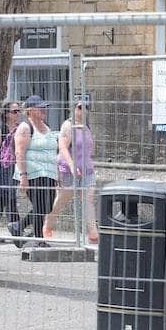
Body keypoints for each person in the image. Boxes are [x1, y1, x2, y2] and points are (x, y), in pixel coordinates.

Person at [44, 99, 99, 243]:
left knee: (89, 200)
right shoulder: (68, 126)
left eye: (86, 107)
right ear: (73, 109)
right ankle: (47, 225)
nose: (84, 110)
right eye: (80, 107)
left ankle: (93, 233)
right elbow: (62, 147)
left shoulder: (86, 127)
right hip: (68, 170)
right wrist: (72, 165)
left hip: (87, 170)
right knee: (61, 201)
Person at [13, 95, 58, 248]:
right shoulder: (25, 127)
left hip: (49, 174)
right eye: (41, 107)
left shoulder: (47, 127)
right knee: (39, 207)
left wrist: (57, 173)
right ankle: (39, 239)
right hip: (33, 174)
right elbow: (19, 152)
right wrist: (23, 176)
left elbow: (52, 152)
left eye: (45, 107)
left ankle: (19, 226)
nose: (44, 110)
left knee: (47, 207)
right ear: (30, 111)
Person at [0, 101, 22, 243]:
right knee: (6, 200)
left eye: (18, 111)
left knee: (4, 201)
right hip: (3, 169)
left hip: (15, 168)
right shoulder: (0, 129)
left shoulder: (20, 128)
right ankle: (17, 233)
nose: (18, 114)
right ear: (6, 114)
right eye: (14, 111)